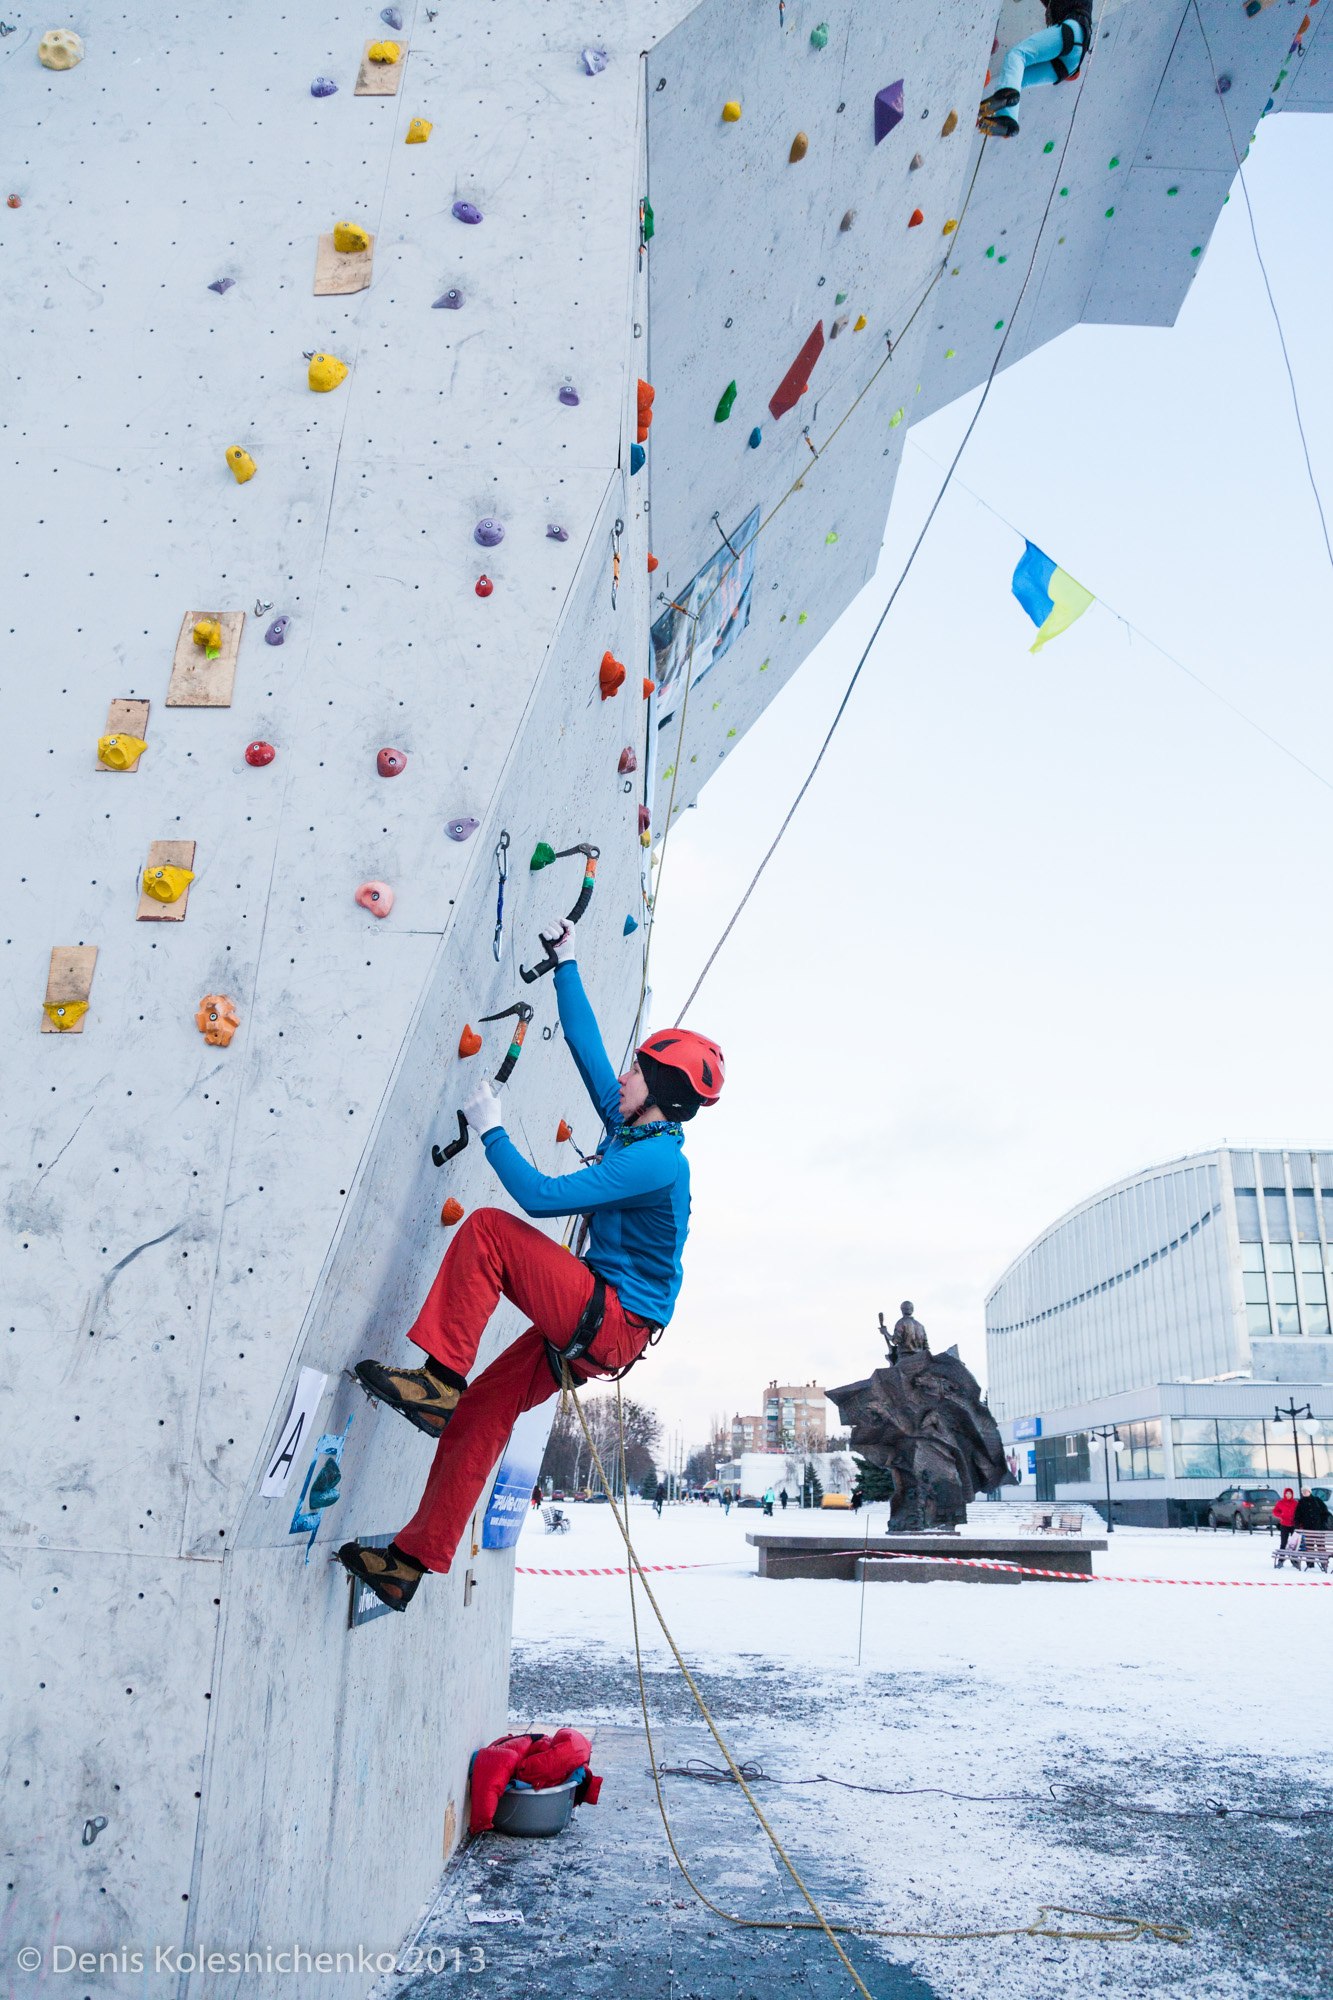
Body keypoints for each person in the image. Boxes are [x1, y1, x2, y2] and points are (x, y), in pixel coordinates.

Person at [336, 916, 724, 1611]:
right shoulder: (636, 1127)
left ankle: (436, 1379)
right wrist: (566, 961)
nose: (625, 1075)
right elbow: (586, 1048)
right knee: (481, 1414)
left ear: (661, 1091)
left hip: (608, 1319)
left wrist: (491, 1130)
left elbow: (541, 1200)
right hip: (599, 1325)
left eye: (639, 1070)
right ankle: (405, 1565)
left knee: (488, 1231)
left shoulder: (656, 1161)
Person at [977, 1, 1091, 138]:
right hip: (1072, 61)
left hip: (1073, 31)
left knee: (1017, 55)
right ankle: (1007, 120)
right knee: (1018, 79)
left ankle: (1006, 95)